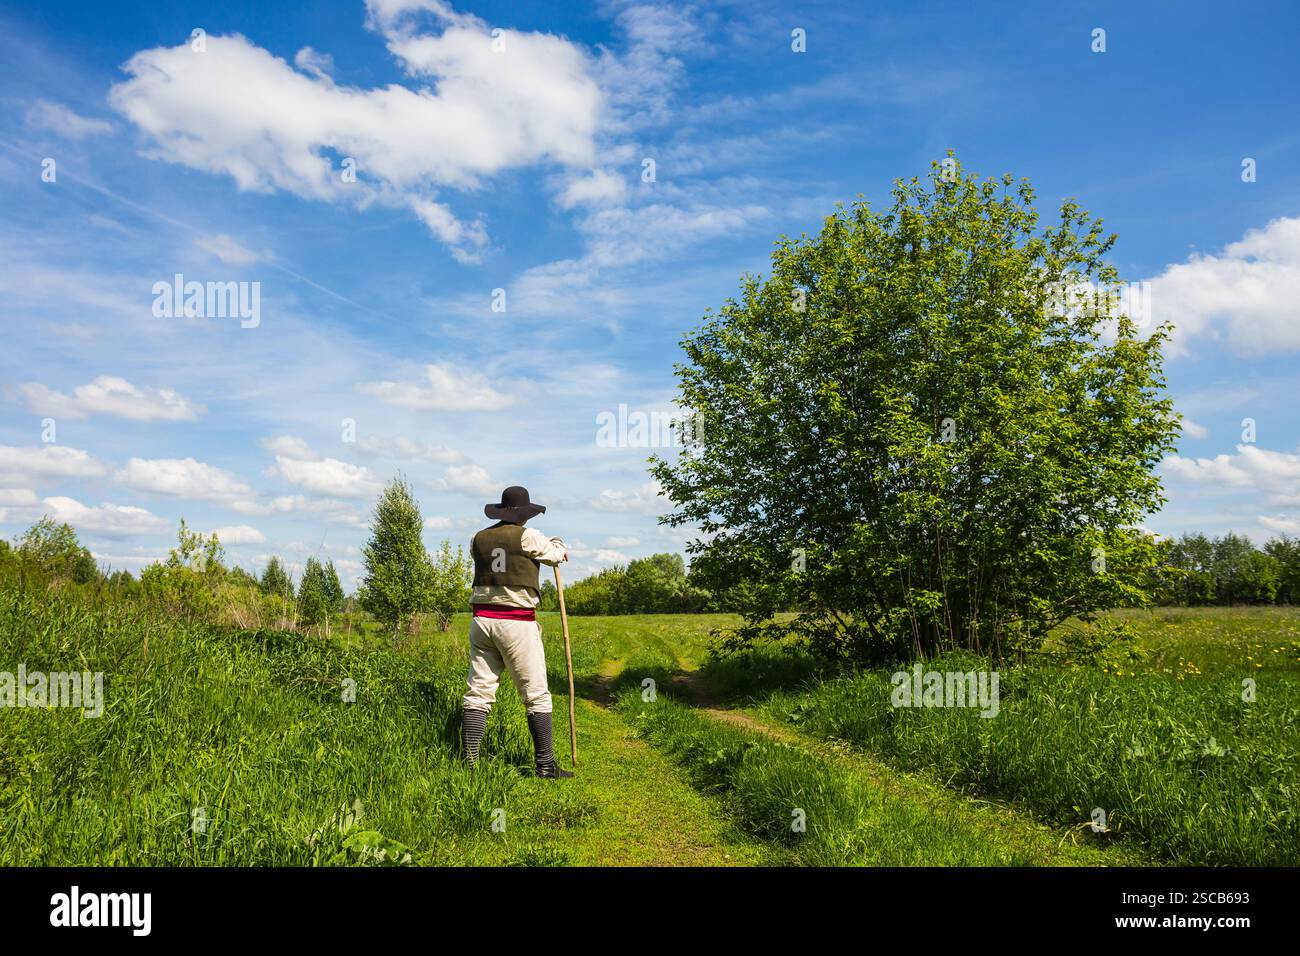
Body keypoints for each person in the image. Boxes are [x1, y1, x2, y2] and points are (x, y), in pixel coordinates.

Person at [461, 485, 573, 778]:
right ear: (524, 514)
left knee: (479, 692)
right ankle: (546, 766)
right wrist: (558, 543)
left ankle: (470, 766)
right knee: (536, 694)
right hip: (517, 623)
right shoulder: (529, 536)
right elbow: (556, 555)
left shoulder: (478, 538)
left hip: (481, 622)